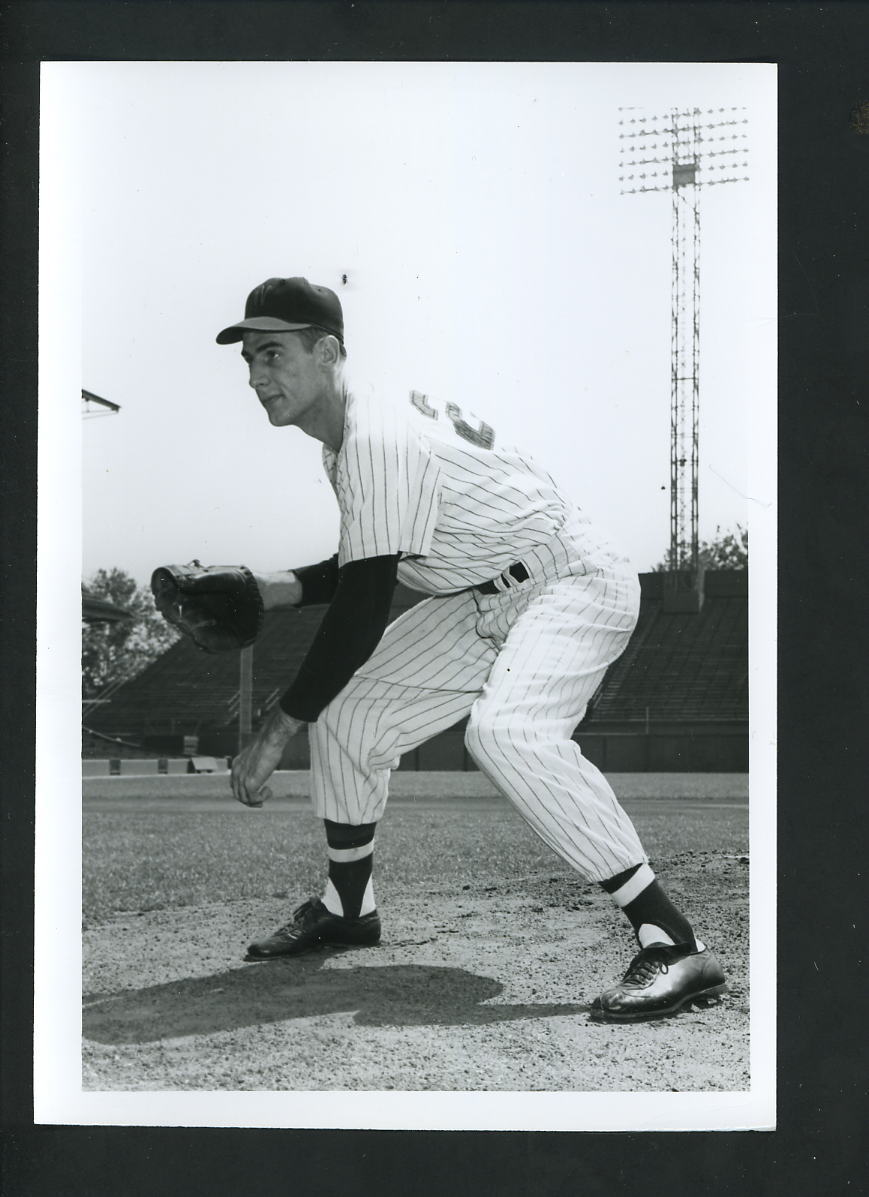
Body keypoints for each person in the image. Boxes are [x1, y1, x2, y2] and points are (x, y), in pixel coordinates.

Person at [218, 276, 727, 1022]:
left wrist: (275, 728)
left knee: (506, 732)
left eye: (273, 353)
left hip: (570, 577)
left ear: (327, 351)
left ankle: (673, 940)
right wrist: (271, 589)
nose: (258, 376)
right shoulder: (346, 443)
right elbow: (368, 560)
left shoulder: (374, 437)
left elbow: (362, 606)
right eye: (249, 360)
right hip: (481, 593)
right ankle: (348, 904)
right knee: (352, 713)